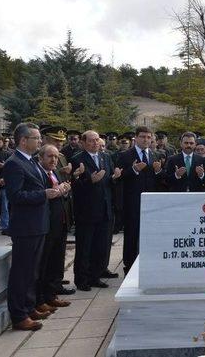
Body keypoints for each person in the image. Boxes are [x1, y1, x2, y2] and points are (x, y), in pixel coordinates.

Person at [3, 122, 69, 331]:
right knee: (22, 272)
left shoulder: (31, 162)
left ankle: (29, 306)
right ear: (23, 140)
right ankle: (19, 315)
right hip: (26, 226)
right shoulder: (14, 163)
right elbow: (15, 196)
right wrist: (44, 194)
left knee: (32, 271)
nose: (40, 141)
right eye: (36, 138)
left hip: (39, 223)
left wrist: (55, 189)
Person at [71, 131, 121, 291]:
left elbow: (109, 180)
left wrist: (114, 178)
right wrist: (89, 180)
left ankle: (95, 276)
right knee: (85, 247)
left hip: (105, 208)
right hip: (87, 210)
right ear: (83, 143)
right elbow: (74, 185)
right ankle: (82, 279)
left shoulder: (105, 157)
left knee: (101, 245)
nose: (95, 143)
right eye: (91, 141)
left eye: (97, 140)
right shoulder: (77, 159)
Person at [116, 126, 164, 274]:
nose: (146, 140)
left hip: (151, 204)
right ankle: (129, 267)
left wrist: (158, 171)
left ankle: (147, 265)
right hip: (132, 202)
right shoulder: (125, 155)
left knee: (149, 236)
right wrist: (134, 170)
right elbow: (119, 178)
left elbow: (160, 181)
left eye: (149, 137)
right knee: (131, 236)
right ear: (135, 138)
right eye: (143, 137)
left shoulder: (155, 155)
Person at [35, 145, 72, 312]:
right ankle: (40, 298)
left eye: (56, 157)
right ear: (40, 158)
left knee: (56, 261)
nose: (53, 160)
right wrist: (53, 192)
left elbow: (59, 192)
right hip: (47, 224)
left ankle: (51, 295)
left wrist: (64, 190)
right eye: (49, 156)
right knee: (45, 262)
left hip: (61, 222)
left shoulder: (55, 172)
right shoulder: (39, 174)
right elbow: (44, 194)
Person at [0, 133, 13, 234]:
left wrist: (4, 166)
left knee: (4, 206)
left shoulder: (7, 154)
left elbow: (11, 168)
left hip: (3, 183)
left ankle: (5, 225)